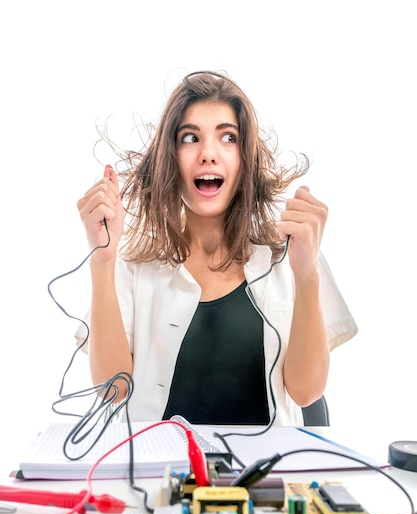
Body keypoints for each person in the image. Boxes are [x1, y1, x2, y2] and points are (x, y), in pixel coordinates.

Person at [75, 70, 357, 428]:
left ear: (245, 159)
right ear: (170, 159)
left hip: (264, 476)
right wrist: (102, 262)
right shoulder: (131, 265)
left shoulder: (293, 255)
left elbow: (305, 392)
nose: (208, 153)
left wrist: (307, 274)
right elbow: (112, 390)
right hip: (160, 472)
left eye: (228, 137)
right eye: (190, 138)